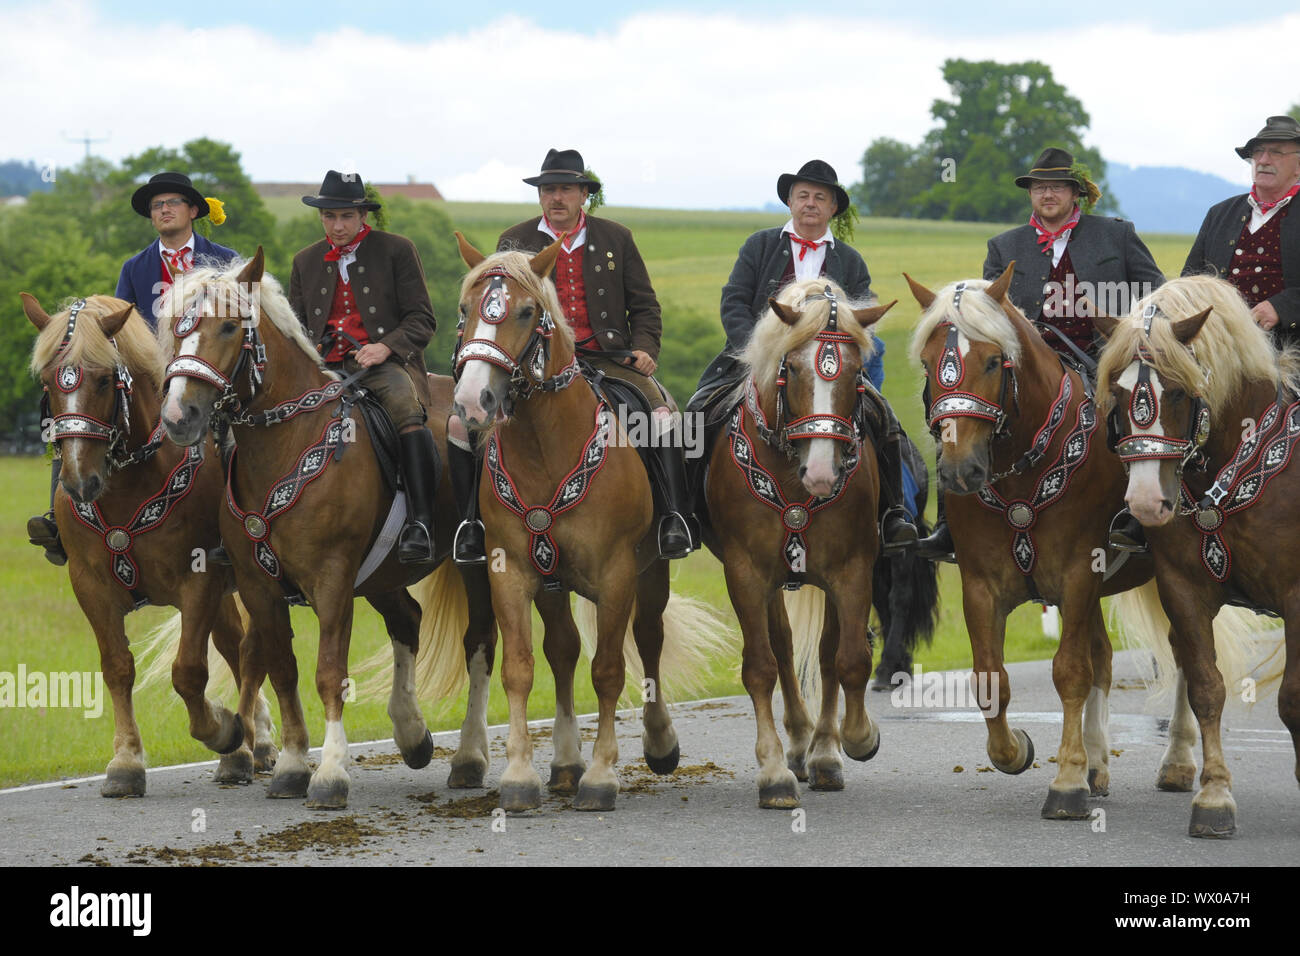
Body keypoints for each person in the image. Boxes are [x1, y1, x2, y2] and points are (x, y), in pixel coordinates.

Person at [916, 147, 1165, 560]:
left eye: (1056, 187)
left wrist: (1123, 332)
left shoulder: (1116, 235)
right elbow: (984, 316)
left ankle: (1134, 518)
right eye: (1038, 187)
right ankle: (948, 525)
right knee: (957, 409)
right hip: (1027, 364)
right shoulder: (1003, 245)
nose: (1046, 194)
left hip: (1100, 356)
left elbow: (1154, 291)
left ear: (1076, 193)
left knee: (1135, 412)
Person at [447, 147, 693, 563]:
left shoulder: (617, 237)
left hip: (609, 357)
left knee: (663, 416)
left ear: (583, 194)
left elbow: (645, 306)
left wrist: (645, 349)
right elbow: (496, 305)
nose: (555, 198)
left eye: (565, 189)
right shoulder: (515, 239)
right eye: (547, 190)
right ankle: (470, 524)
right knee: (461, 422)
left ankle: (674, 516)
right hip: (531, 362)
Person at [694, 158, 917, 554]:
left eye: (820, 197)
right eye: (803, 196)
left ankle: (893, 514)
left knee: (886, 421)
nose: (810, 203)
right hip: (755, 364)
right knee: (696, 415)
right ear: (791, 203)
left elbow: (861, 322)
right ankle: (689, 514)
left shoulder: (850, 260)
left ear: (833, 208)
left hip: (830, 369)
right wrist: (758, 353)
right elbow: (734, 301)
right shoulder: (759, 245)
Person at [26, 172, 237, 565]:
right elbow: (118, 331)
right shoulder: (134, 267)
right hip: (151, 379)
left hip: (207, 376)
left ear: (193, 210)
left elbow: (240, 324)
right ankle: (58, 520)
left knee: (231, 438)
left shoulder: (223, 260)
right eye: (157, 205)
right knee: (80, 417)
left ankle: (233, 529)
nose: (164, 210)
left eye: (172, 202)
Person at [288, 170, 440, 563]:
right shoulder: (304, 260)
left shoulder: (396, 250)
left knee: (407, 411)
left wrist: (384, 348)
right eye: (329, 217)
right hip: (322, 368)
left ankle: (420, 523)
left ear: (362, 216)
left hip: (380, 365)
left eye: (346, 217)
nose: (337, 226)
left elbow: (422, 320)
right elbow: (297, 329)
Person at [1183, 115, 1300, 347]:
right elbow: (1190, 280)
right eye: (1258, 152)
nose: (1264, 160)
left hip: (1290, 347)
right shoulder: (1220, 213)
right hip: (1219, 346)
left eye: (1276, 152)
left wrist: (1283, 307)